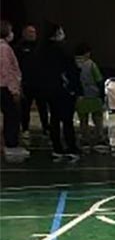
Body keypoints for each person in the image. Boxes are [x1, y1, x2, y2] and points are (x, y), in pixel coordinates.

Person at [38, 23, 81, 161]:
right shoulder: (62, 50)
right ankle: (71, 148)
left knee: (54, 119)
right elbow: (71, 71)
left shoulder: (41, 51)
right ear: (56, 34)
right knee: (67, 120)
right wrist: (76, 89)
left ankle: (57, 148)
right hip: (64, 90)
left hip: (49, 91)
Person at [1, 20, 28, 162]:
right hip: (6, 87)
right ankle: (11, 144)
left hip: (4, 87)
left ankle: (9, 142)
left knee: (9, 116)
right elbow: (7, 71)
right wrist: (14, 90)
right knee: (12, 116)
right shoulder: (4, 49)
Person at [74, 42, 108, 152]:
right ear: (87, 53)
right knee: (97, 118)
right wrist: (102, 94)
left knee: (83, 119)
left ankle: (84, 139)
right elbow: (99, 80)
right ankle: (99, 138)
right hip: (93, 95)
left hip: (79, 96)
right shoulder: (91, 64)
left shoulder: (72, 63)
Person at [15, 24, 48, 136]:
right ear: (24, 34)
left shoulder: (41, 47)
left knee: (43, 107)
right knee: (25, 108)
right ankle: (25, 128)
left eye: (33, 32)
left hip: (40, 83)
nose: (32, 34)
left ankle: (45, 128)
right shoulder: (19, 48)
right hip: (26, 83)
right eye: (29, 32)